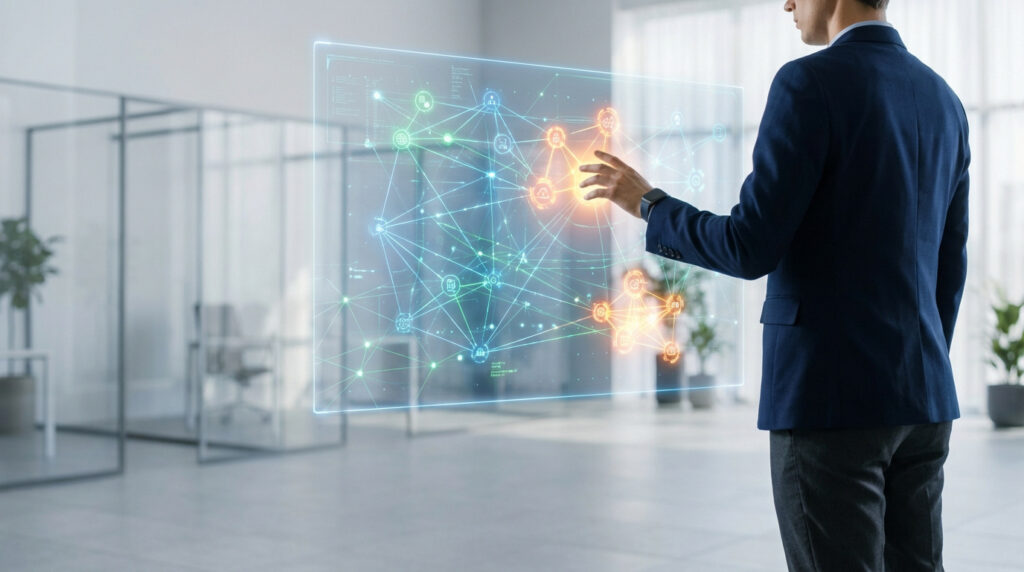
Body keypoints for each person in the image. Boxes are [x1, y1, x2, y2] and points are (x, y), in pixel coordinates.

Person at [579, 0, 969, 569]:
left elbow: (749, 245)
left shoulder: (807, 83)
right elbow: (948, 267)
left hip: (829, 400)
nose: (786, 3)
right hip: (923, 399)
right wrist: (919, 368)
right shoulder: (944, 100)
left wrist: (649, 203)